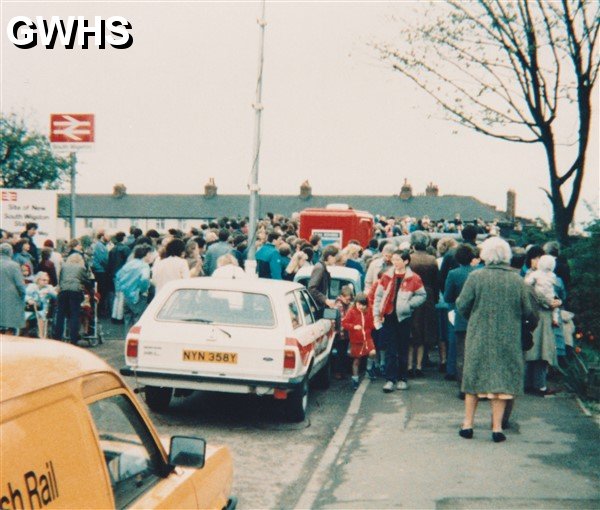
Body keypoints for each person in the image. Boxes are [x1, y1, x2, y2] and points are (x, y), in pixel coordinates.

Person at [456, 237, 538, 443]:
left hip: (479, 334)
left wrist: (474, 317)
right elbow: (530, 311)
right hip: (508, 337)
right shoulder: (518, 280)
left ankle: (468, 424)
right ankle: (497, 428)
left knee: (473, 378)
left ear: (485, 255)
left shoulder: (476, 277)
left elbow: (462, 304)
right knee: (501, 383)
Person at [373, 249, 426, 393]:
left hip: (404, 317)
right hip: (388, 316)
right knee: (390, 348)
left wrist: (409, 305)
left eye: (398, 259)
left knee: (403, 348)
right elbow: (378, 296)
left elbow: (422, 295)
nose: (394, 262)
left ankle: (402, 378)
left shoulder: (414, 278)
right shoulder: (386, 276)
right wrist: (377, 313)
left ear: (406, 261)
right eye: (394, 259)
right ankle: (390, 379)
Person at [524, 254, 565, 396]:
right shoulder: (555, 279)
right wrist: (555, 303)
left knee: (530, 351)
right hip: (546, 318)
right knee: (543, 352)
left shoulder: (530, 277)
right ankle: (540, 385)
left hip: (531, 316)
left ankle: (526, 383)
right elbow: (558, 297)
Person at [443, 244, 478, 390]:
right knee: (475, 354)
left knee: (461, 354)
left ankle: (463, 386)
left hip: (460, 317)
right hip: (477, 317)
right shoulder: (478, 273)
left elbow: (447, 297)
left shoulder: (453, 274)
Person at [408, 231, 440, 376]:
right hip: (427, 296)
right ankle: (420, 365)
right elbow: (436, 282)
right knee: (423, 330)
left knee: (411, 331)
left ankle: (409, 365)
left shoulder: (408, 259)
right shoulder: (432, 260)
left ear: (413, 244)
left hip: (410, 294)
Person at [53, 253, 91, 345]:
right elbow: (86, 280)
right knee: (75, 315)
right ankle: (73, 338)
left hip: (63, 291)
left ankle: (57, 337)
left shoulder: (64, 267)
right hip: (75, 291)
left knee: (60, 315)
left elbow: (60, 279)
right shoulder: (81, 268)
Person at [342, 293, 377, 390]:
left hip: (367, 338)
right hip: (356, 340)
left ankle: (369, 369)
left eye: (363, 305)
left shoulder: (368, 311)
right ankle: (355, 379)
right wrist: (353, 327)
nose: (361, 307)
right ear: (355, 303)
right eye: (359, 304)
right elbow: (344, 323)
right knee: (357, 360)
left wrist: (377, 324)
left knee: (373, 353)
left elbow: (371, 324)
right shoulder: (352, 312)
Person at [115, 245, 153, 330]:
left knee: (128, 321)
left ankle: (127, 340)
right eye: (150, 254)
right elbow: (144, 280)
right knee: (138, 321)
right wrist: (141, 290)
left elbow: (118, 277)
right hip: (139, 296)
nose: (151, 256)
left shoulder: (129, 264)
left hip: (126, 296)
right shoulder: (144, 266)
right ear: (146, 255)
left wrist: (123, 289)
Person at [525, 255, 562, 327]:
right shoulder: (553, 275)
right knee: (555, 309)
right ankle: (555, 319)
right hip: (550, 298)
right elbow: (556, 287)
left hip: (538, 298)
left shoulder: (535, 274)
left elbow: (527, 282)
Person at [0, 243, 27, 335]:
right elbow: (20, 284)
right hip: (11, 298)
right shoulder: (14, 265)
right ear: (10, 252)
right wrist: (23, 294)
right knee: (10, 326)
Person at [24, 271, 57, 338]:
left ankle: (41, 335)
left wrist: (49, 292)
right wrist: (29, 299)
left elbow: (56, 296)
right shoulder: (32, 286)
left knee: (41, 316)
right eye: (44, 280)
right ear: (38, 280)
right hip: (31, 307)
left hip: (43, 308)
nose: (46, 282)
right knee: (25, 316)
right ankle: (24, 334)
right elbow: (25, 295)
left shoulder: (49, 287)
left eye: (47, 280)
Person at [308, 245, 339, 311]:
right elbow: (311, 289)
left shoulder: (322, 267)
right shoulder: (319, 268)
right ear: (330, 257)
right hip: (317, 307)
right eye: (335, 257)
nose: (336, 260)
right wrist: (325, 300)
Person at [332, 285, 354, 379]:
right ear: (341, 296)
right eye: (347, 299)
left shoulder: (347, 305)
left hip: (345, 334)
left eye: (349, 300)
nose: (348, 301)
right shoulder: (339, 306)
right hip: (340, 334)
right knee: (340, 354)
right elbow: (342, 321)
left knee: (343, 353)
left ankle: (342, 371)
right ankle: (338, 372)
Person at [91, 230, 111, 317]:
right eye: (107, 235)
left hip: (100, 271)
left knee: (101, 291)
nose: (109, 237)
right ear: (102, 236)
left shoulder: (101, 245)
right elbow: (104, 260)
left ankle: (99, 311)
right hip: (100, 272)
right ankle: (100, 312)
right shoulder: (100, 246)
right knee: (101, 292)